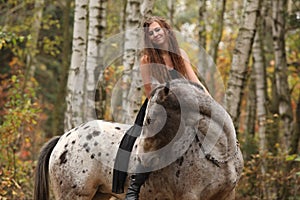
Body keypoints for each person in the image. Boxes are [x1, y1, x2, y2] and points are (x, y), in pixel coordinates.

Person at [112, 16, 210, 200]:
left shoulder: (180, 54)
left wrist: (210, 102)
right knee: (155, 141)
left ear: (166, 30)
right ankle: (134, 188)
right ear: (148, 38)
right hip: (158, 106)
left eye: (158, 30)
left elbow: (194, 81)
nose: (156, 34)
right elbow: (150, 91)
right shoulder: (147, 59)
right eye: (151, 33)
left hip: (184, 105)